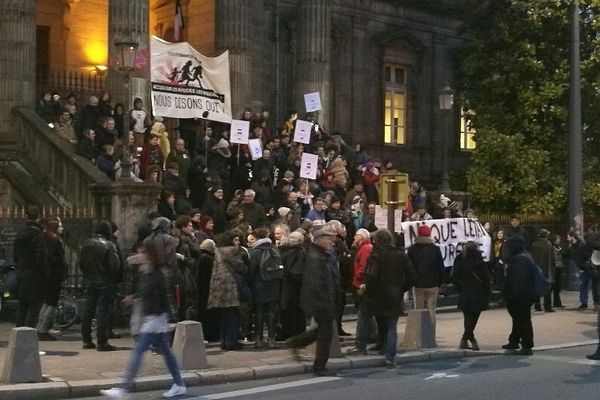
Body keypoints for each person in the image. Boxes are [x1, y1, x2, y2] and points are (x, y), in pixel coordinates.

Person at [99, 242, 187, 399]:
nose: (139, 255)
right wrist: (133, 297)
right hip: (152, 316)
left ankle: (124, 388)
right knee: (167, 354)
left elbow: (166, 296)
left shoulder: (157, 273)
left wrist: (171, 318)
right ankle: (179, 384)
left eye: (141, 253)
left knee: (139, 352)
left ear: (149, 255)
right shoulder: (146, 271)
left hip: (156, 317)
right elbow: (143, 290)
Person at [287, 224, 341, 377]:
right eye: (328, 238)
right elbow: (315, 283)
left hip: (322, 300)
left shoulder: (320, 254)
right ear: (319, 239)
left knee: (322, 331)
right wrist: (326, 301)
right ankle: (319, 366)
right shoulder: (315, 257)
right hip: (320, 301)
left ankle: (296, 342)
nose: (331, 241)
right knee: (326, 334)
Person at [361, 229, 416, 367]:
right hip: (395, 294)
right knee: (392, 326)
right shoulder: (401, 255)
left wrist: (367, 289)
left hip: (378, 295)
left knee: (381, 322)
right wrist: (401, 288)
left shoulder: (375, 256)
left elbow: (372, 277)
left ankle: (383, 347)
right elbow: (412, 276)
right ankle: (390, 356)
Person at [80, 220, 121, 351]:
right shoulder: (109, 245)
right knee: (103, 311)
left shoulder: (86, 244)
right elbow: (114, 266)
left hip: (91, 280)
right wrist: (113, 279)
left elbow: (82, 264)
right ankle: (102, 341)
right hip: (105, 281)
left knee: (89, 309)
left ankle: (86, 339)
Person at [451, 241, 490, 351]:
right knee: (473, 319)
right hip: (478, 292)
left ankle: (466, 340)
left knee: (467, 318)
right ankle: (469, 340)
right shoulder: (480, 261)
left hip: (465, 291)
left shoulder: (459, 259)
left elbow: (454, 276)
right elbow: (486, 278)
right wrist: (487, 292)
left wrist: (460, 288)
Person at [502, 234, 536, 356]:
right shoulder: (524, 256)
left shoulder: (520, 259)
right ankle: (514, 340)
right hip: (522, 295)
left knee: (523, 320)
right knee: (518, 319)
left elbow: (518, 280)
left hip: (520, 296)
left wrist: (512, 295)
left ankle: (526, 345)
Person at [407, 225, 444, 333]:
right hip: (433, 285)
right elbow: (440, 267)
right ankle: (431, 335)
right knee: (431, 311)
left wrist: (412, 281)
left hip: (418, 285)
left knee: (419, 310)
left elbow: (410, 268)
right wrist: (439, 283)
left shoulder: (412, 249)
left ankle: (419, 335)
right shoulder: (435, 249)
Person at [14, 206, 47, 328]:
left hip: (22, 272)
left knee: (22, 306)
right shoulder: (38, 234)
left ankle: (18, 333)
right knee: (34, 307)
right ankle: (28, 335)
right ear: (38, 217)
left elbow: (16, 254)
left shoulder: (20, 232)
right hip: (35, 274)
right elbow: (41, 257)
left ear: (26, 216)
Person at [37, 217, 68, 340]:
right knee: (51, 302)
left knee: (47, 301)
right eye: (59, 225)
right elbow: (56, 259)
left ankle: (40, 327)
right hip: (53, 275)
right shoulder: (54, 241)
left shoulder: (44, 238)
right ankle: (43, 328)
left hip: (47, 275)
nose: (61, 228)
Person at [566, 230, 593, 309]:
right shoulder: (573, 246)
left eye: (568, 237)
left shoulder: (581, 245)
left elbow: (584, 256)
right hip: (582, 267)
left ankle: (589, 302)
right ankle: (584, 302)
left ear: (572, 237)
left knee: (587, 285)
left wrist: (584, 265)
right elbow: (568, 256)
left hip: (586, 267)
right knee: (583, 285)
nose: (567, 239)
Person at [530, 229, 555, 312]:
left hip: (536, 268)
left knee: (536, 286)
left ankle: (537, 306)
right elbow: (551, 259)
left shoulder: (534, 244)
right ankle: (547, 306)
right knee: (547, 288)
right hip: (546, 268)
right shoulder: (549, 244)